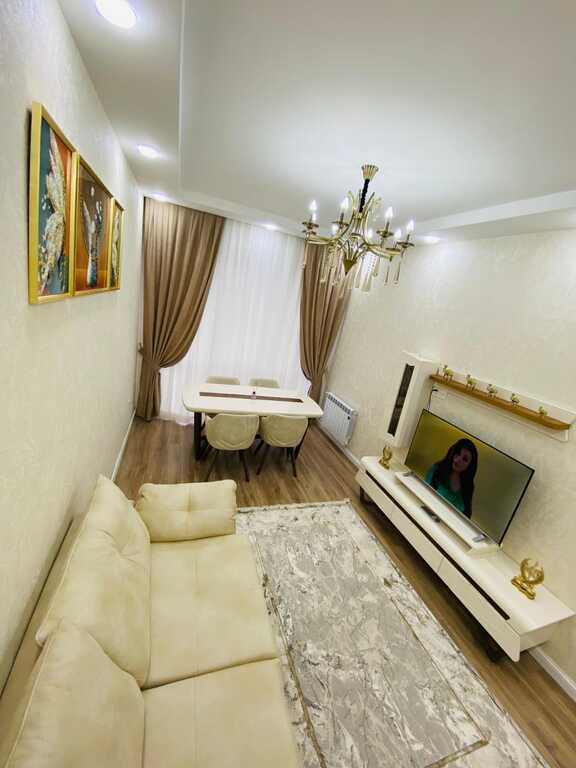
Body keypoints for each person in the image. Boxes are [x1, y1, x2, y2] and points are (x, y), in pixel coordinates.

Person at [425, 438, 478, 518]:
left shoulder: (468, 487)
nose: (459, 459)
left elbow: (466, 516)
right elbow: (424, 497)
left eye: (465, 459)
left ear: (470, 466)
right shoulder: (436, 470)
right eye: (458, 453)